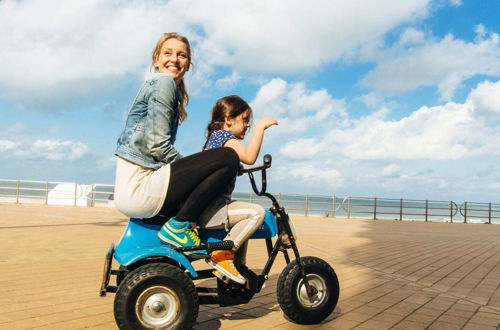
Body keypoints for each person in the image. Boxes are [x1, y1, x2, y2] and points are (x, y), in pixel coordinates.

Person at [113, 33, 240, 263]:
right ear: (156, 59)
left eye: (181, 55)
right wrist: (199, 173)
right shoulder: (163, 83)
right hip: (141, 187)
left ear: (188, 64)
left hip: (135, 185)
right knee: (228, 157)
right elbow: (158, 145)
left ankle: (187, 228)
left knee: (218, 165)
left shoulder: (163, 86)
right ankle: (179, 227)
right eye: (168, 53)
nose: (175, 59)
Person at [200, 95, 278, 284]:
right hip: (213, 209)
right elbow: (249, 157)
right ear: (228, 120)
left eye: (250, 123)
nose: (247, 125)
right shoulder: (223, 136)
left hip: (210, 207)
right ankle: (221, 255)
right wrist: (260, 128)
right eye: (244, 120)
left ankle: (238, 266)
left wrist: (236, 168)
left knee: (243, 219)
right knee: (255, 213)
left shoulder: (215, 140)